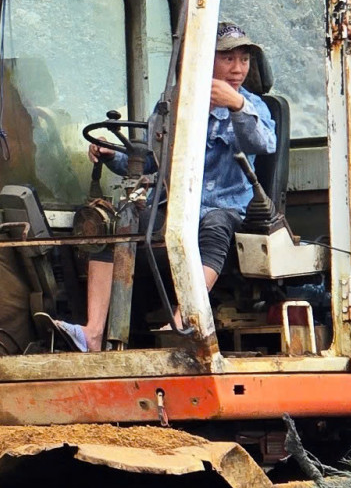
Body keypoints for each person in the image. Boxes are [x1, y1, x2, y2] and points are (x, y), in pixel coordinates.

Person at [73, 21, 277, 350]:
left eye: (244, 60)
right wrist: (112, 155)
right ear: (202, 60)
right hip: (172, 206)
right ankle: (93, 331)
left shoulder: (254, 107)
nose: (237, 69)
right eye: (228, 59)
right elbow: (151, 161)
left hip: (224, 208)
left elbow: (263, 144)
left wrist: (236, 105)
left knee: (213, 227)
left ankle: (181, 320)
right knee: (112, 227)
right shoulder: (172, 105)